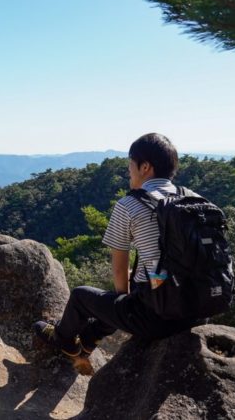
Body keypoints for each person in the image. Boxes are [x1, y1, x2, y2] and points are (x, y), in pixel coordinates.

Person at [34, 133, 199, 360]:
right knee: (124, 294)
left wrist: (123, 304)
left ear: (145, 167)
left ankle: (64, 341)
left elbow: (120, 273)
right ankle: (89, 340)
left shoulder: (129, 204)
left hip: (159, 320)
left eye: (130, 165)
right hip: (197, 313)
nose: (128, 171)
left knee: (84, 296)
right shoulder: (194, 200)